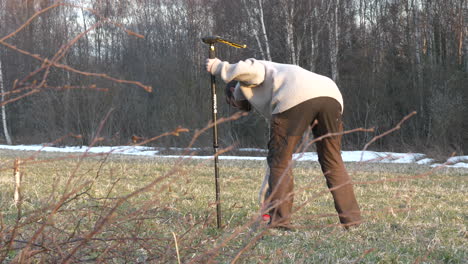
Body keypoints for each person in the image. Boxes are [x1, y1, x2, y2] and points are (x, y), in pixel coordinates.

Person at [206, 58, 361, 229]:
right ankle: (352, 220)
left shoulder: (246, 81)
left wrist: (218, 67)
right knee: (332, 160)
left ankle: (280, 221)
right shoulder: (275, 79)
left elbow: (251, 69)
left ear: (232, 93)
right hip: (331, 94)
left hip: (296, 92)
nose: (235, 106)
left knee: (280, 161)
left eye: (231, 103)